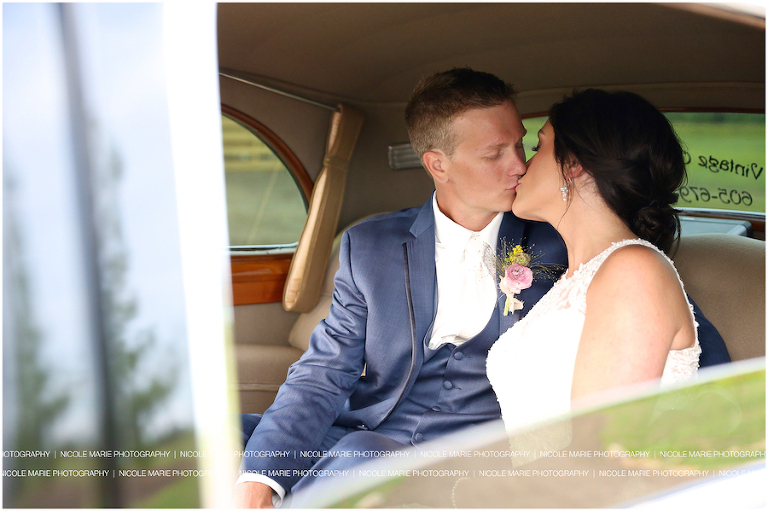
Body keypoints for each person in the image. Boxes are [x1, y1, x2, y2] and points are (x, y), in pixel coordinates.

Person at [235, 70, 728, 508]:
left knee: (360, 462)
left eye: (526, 146)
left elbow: (687, 351)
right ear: (438, 164)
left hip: (468, 466)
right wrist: (262, 475)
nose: (518, 165)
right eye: (496, 153)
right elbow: (324, 371)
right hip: (366, 435)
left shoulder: (575, 244)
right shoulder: (369, 245)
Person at [487, 89, 702, 434]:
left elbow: (599, 451)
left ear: (574, 163)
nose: (520, 167)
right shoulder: (575, 278)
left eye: (538, 147)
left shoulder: (634, 271)